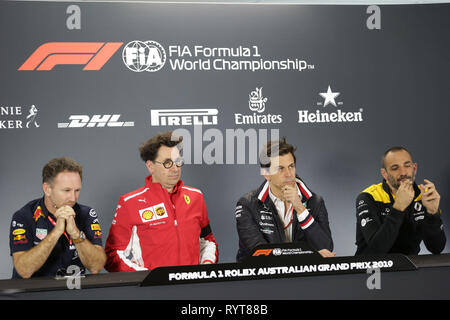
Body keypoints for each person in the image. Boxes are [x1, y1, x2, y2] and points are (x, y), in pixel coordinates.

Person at [105, 131, 218, 272]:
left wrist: (207, 264)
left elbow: (207, 241)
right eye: (167, 163)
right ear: (150, 166)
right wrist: (146, 277)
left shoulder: (196, 197)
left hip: (193, 287)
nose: (175, 168)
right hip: (152, 290)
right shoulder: (129, 202)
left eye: (178, 162)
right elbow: (113, 255)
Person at [235, 138, 334, 262]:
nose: (289, 174)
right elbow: (260, 255)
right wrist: (309, 254)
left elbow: (326, 248)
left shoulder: (315, 202)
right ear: (266, 173)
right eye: (280, 168)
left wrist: (301, 209)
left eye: (291, 166)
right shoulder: (247, 205)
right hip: (261, 278)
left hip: (303, 277)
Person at [9, 157, 106, 279]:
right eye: (66, 190)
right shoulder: (24, 216)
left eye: (77, 190)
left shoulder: (87, 214)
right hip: (34, 293)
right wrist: (56, 232)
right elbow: (24, 270)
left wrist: (75, 234)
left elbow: (96, 267)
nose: (73, 198)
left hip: (73, 290)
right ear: (47, 189)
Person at [355, 146, 446, 255]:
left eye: (407, 166)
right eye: (395, 168)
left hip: (410, 268)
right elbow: (377, 249)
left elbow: (436, 248)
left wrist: (433, 213)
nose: (403, 172)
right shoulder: (369, 197)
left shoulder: (424, 196)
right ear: (385, 173)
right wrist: (398, 208)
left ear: (414, 168)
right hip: (372, 269)